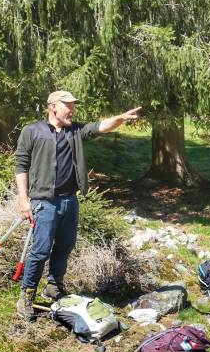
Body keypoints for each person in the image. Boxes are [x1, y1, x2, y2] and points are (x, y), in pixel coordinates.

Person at [14, 90, 141, 320]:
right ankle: (27, 295)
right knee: (40, 250)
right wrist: (24, 200)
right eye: (68, 106)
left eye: (74, 106)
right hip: (44, 203)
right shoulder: (32, 131)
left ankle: (54, 287)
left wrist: (120, 119)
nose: (72, 110)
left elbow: (101, 126)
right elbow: (21, 165)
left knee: (65, 246)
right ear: (53, 106)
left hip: (69, 201)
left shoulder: (75, 131)